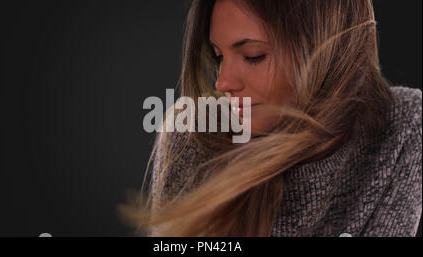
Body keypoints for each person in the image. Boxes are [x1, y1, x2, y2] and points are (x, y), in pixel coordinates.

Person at [119, 0, 422, 237]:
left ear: (324, 47)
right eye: (219, 57)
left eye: (252, 55)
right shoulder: (193, 132)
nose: (222, 83)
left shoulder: (403, 126)